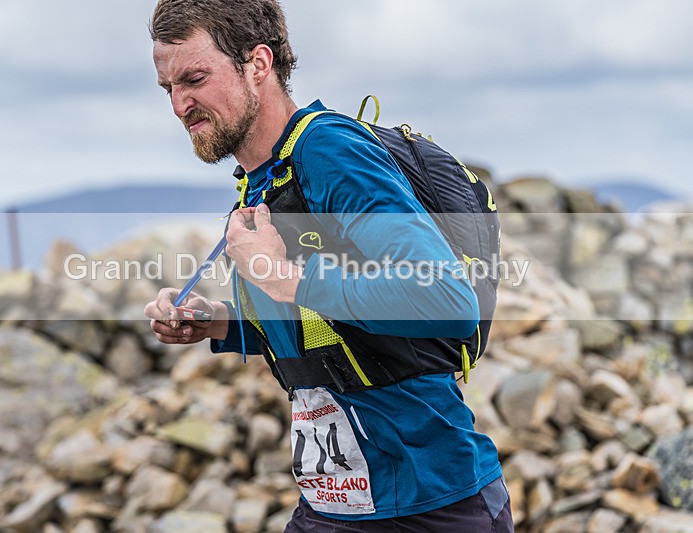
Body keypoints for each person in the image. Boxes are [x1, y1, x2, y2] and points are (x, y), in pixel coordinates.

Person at [144, 1, 513, 531]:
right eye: (169, 89)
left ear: (258, 64)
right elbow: (323, 331)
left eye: (195, 79)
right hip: (338, 505)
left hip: (434, 504)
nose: (181, 105)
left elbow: (447, 300)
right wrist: (219, 322)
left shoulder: (328, 150)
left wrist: (282, 277)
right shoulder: (264, 182)